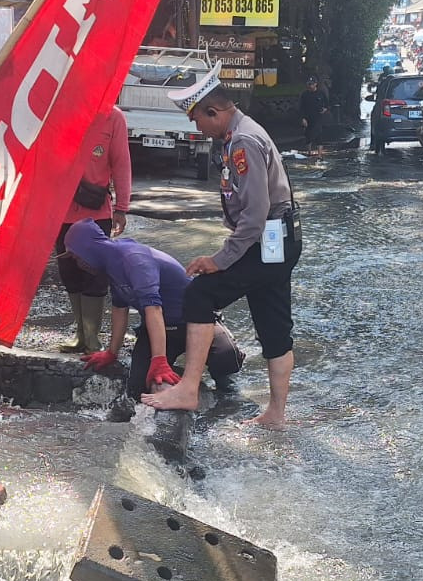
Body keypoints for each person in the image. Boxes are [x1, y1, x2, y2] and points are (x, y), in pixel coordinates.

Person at [143, 69, 299, 428]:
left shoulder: (243, 141)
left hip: (266, 242)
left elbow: (255, 215)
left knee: (199, 295)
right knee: (274, 327)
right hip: (279, 242)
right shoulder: (238, 135)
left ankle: (188, 389)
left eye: (197, 119)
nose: (197, 127)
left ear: (213, 111)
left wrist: (220, 259)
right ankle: (276, 415)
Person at [65, 220, 244, 401]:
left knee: (226, 359)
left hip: (194, 322)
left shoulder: (133, 259)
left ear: (87, 249)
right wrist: (112, 352)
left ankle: (224, 385)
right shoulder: (109, 265)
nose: (78, 264)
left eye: (76, 257)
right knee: (138, 386)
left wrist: (159, 360)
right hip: (161, 329)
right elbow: (119, 308)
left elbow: (154, 308)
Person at [53, 105, 132, 352]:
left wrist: (121, 207)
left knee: (95, 276)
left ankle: (92, 337)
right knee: (68, 272)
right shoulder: (61, 111)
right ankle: (80, 334)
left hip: (97, 213)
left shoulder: (113, 117)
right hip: (61, 212)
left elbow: (121, 163)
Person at [298, 76, 330, 148]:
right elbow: (301, 107)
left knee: (319, 135)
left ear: (316, 84)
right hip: (308, 117)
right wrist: (303, 118)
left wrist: (325, 109)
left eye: (312, 84)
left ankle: (319, 153)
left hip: (318, 117)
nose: (310, 86)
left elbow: (327, 104)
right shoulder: (305, 94)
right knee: (308, 136)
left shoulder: (321, 93)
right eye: (309, 84)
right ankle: (309, 151)